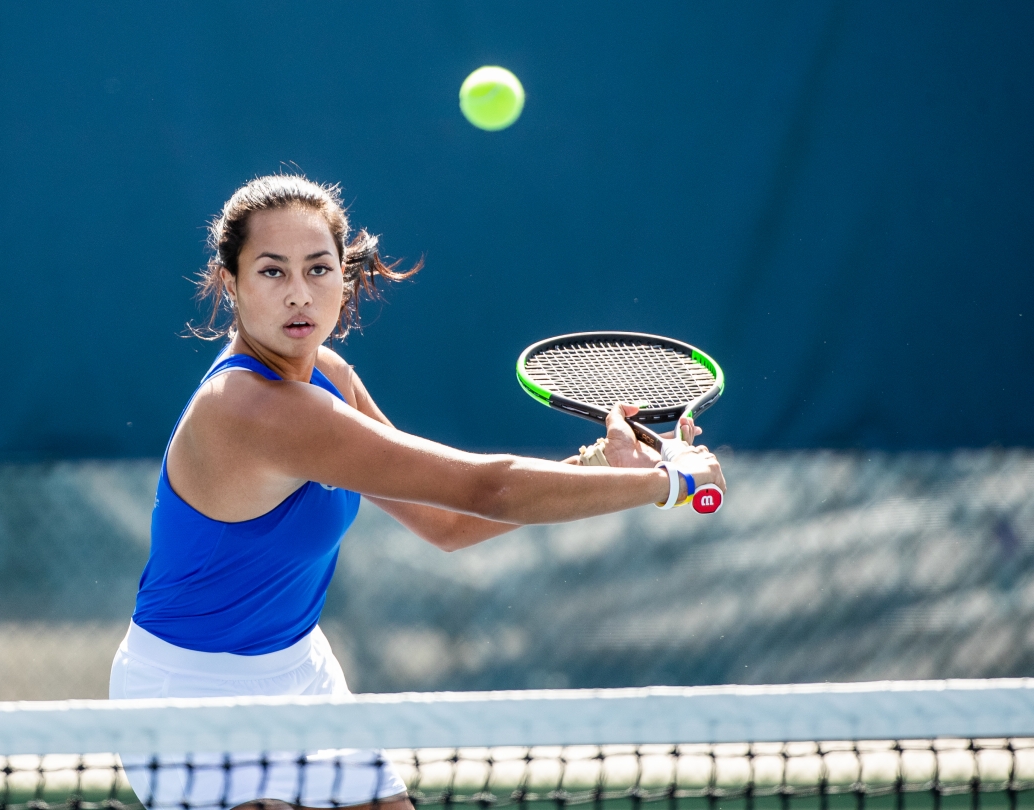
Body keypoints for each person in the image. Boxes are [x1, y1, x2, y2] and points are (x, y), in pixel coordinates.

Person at [109, 174, 725, 810]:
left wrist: (602, 462)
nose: (299, 294)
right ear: (231, 284)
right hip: (189, 696)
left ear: (343, 279)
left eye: (319, 269)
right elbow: (486, 488)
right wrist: (668, 482)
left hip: (298, 672)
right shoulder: (246, 407)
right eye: (272, 272)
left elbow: (447, 522)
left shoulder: (330, 375)